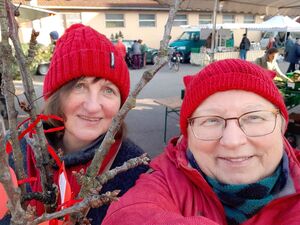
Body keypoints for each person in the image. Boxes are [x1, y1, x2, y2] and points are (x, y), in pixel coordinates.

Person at [103, 59, 300, 225]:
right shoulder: (166, 179)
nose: (232, 141)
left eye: (254, 118)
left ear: (281, 126)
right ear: (188, 135)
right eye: (211, 120)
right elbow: (129, 215)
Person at [2, 24, 149, 225]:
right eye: (80, 86)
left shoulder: (136, 170)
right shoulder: (14, 152)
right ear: (56, 97)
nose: (92, 106)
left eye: (108, 90)